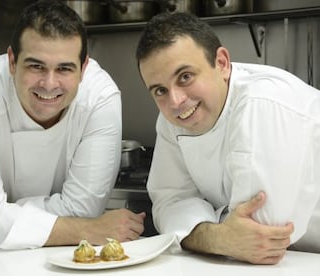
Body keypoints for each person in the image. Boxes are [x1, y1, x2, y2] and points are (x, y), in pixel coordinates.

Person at [0, 0, 145, 250]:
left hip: (64, 255)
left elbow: (84, 209)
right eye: (36, 66)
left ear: (83, 68)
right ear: (12, 61)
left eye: (64, 68)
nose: (49, 84)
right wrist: (87, 228)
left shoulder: (100, 96)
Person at [135, 12, 320, 265]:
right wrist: (219, 237)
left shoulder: (264, 101)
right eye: (160, 90)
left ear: (221, 63)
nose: (175, 101)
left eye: (185, 77)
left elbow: (261, 232)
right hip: (291, 260)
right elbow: (169, 201)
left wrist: (204, 228)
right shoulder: (172, 119)